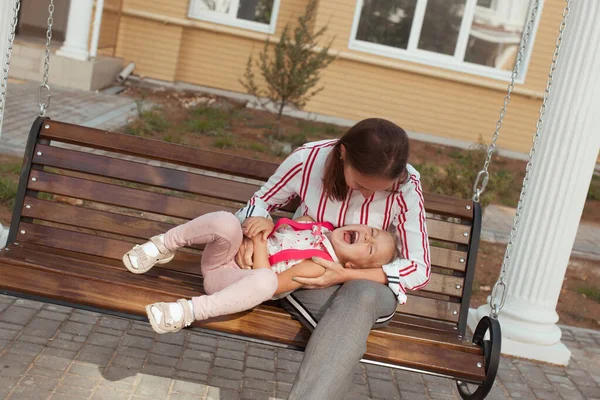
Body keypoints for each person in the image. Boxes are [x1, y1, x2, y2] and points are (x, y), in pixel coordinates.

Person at [235, 118, 430, 400]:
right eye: (362, 184)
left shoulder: (407, 185)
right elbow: (261, 201)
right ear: (343, 154)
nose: (367, 195)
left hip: (368, 286)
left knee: (359, 295)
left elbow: (419, 268)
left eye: (380, 191)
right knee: (345, 331)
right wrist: (253, 231)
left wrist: (347, 275)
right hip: (309, 278)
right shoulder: (310, 159)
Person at [122, 211, 397, 334]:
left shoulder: (319, 263)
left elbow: (273, 286)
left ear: (350, 267)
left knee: (264, 281)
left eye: (369, 248)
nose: (365, 237)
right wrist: (265, 223)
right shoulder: (314, 224)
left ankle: (187, 312)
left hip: (230, 282)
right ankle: (163, 244)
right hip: (224, 256)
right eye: (370, 232)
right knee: (226, 220)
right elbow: (276, 229)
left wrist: (259, 241)